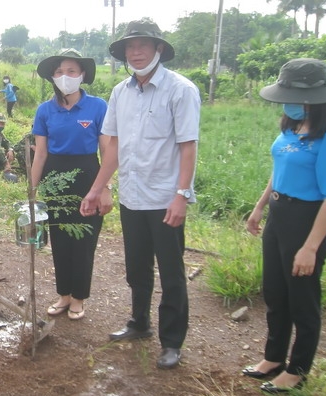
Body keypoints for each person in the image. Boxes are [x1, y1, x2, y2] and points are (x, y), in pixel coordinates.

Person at [80, 18, 201, 369]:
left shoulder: (181, 90)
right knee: (136, 267)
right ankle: (139, 322)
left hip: (165, 198)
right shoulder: (121, 92)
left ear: (158, 49)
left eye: (143, 45)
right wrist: (97, 188)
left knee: (172, 271)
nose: (136, 52)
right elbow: (113, 148)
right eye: (130, 47)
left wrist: (182, 194)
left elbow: (188, 146)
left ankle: (172, 341)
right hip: (132, 196)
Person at [242, 58, 326, 394]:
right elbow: (279, 170)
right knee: (275, 292)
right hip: (278, 214)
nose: (290, 102)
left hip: (307, 221)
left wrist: (310, 247)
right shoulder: (290, 127)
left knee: (302, 298)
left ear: (319, 98)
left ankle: (298, 369)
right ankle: (273, 358)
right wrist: (260, 208)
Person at [31, 48, 111, 321]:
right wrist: (33, 190)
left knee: (85, 239)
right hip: (54, 178)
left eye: (71, 71)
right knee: (60, 238)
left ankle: (79, 297)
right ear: (53, 77)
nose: (65, 76)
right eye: (59, 72)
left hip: (88, 175)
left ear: (82, 75)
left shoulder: (98, 106)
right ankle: (64, 294)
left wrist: (104, 189)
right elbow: (40, 153)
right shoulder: (45, 110)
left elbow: (107, 152)